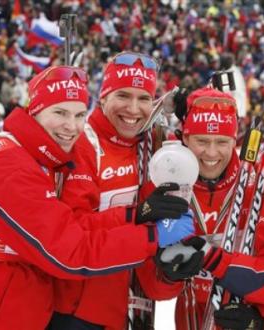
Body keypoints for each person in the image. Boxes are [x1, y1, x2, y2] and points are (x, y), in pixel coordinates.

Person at [0, 65, 193, 329]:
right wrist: (152, 238)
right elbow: (70, 251)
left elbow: (70, 226)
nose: (72, 126)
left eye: (78, 115)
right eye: (60, 112)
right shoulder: (10, 166)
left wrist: (137, 214)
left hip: (9, 311)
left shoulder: (35, 158)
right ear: (35, 110)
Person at [49, 52, 189, 329]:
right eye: (123, 96)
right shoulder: (83, 143)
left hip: (135, 307)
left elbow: (208, 152)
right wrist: (138, 214)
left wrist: (192, 114)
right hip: (79, 310)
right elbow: (73, 229)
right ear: (103, 97)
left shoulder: (156, 143)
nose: (133, 109)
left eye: (144, 99)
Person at [156, 87, 264, 330]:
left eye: (222, 142)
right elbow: (157, 290)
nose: (211, 153)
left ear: (234, 139)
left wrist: (262, 317)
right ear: (184, 137)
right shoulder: (171, 187)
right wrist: (169, 276)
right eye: (202, 141)